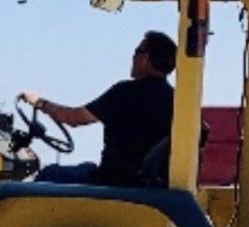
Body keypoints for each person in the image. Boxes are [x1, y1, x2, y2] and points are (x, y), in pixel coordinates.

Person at [19, 30, 177, 186]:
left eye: (137, 51)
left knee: (48, 174)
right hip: (143, 184)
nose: (133, 57)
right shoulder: (175, 100)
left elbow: (74, 118)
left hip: (113, 181)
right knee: (86, 167)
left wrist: (39, 103)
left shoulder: (124, 92)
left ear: (146, 57)